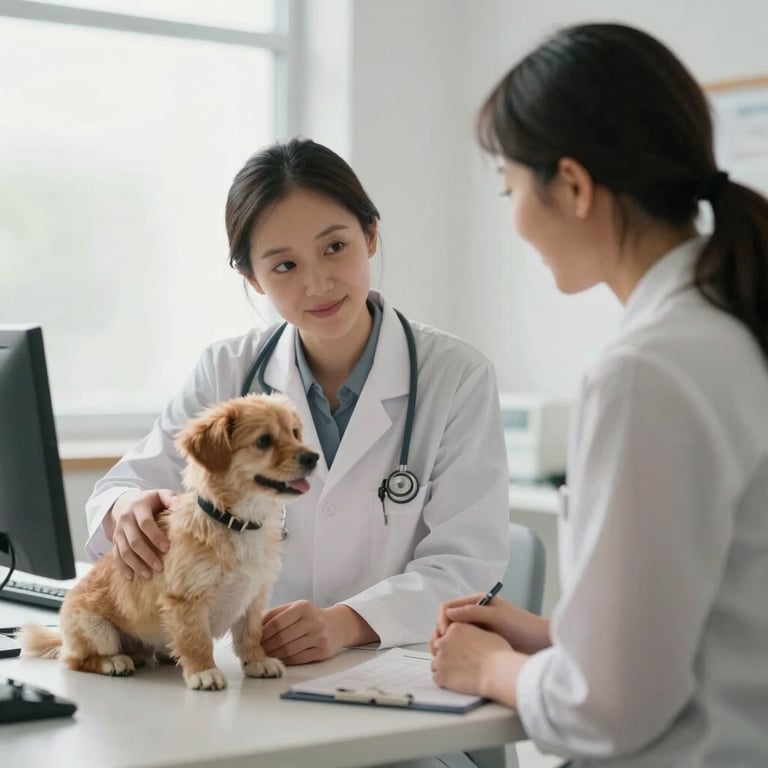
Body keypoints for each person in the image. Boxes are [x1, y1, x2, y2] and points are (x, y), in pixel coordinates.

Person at [430, 22, 768, 768]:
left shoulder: (649, 370)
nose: (514, 217)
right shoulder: (733, 328)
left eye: (510, 186)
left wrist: (487, 668)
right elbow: (728, 623)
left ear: (574, 187)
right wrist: (556, 638)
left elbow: (608, 710)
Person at [85, 137, 510, 667]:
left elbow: (468, 565)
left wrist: (347, 623)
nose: (318, 283)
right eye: (284, 266)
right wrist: (125, 510)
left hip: (394, 677)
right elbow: (123, 487)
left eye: (335, 247)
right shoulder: (225, 373)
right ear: (251, 278)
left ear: (371, 235)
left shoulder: (457, 378)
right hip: (253, 682)